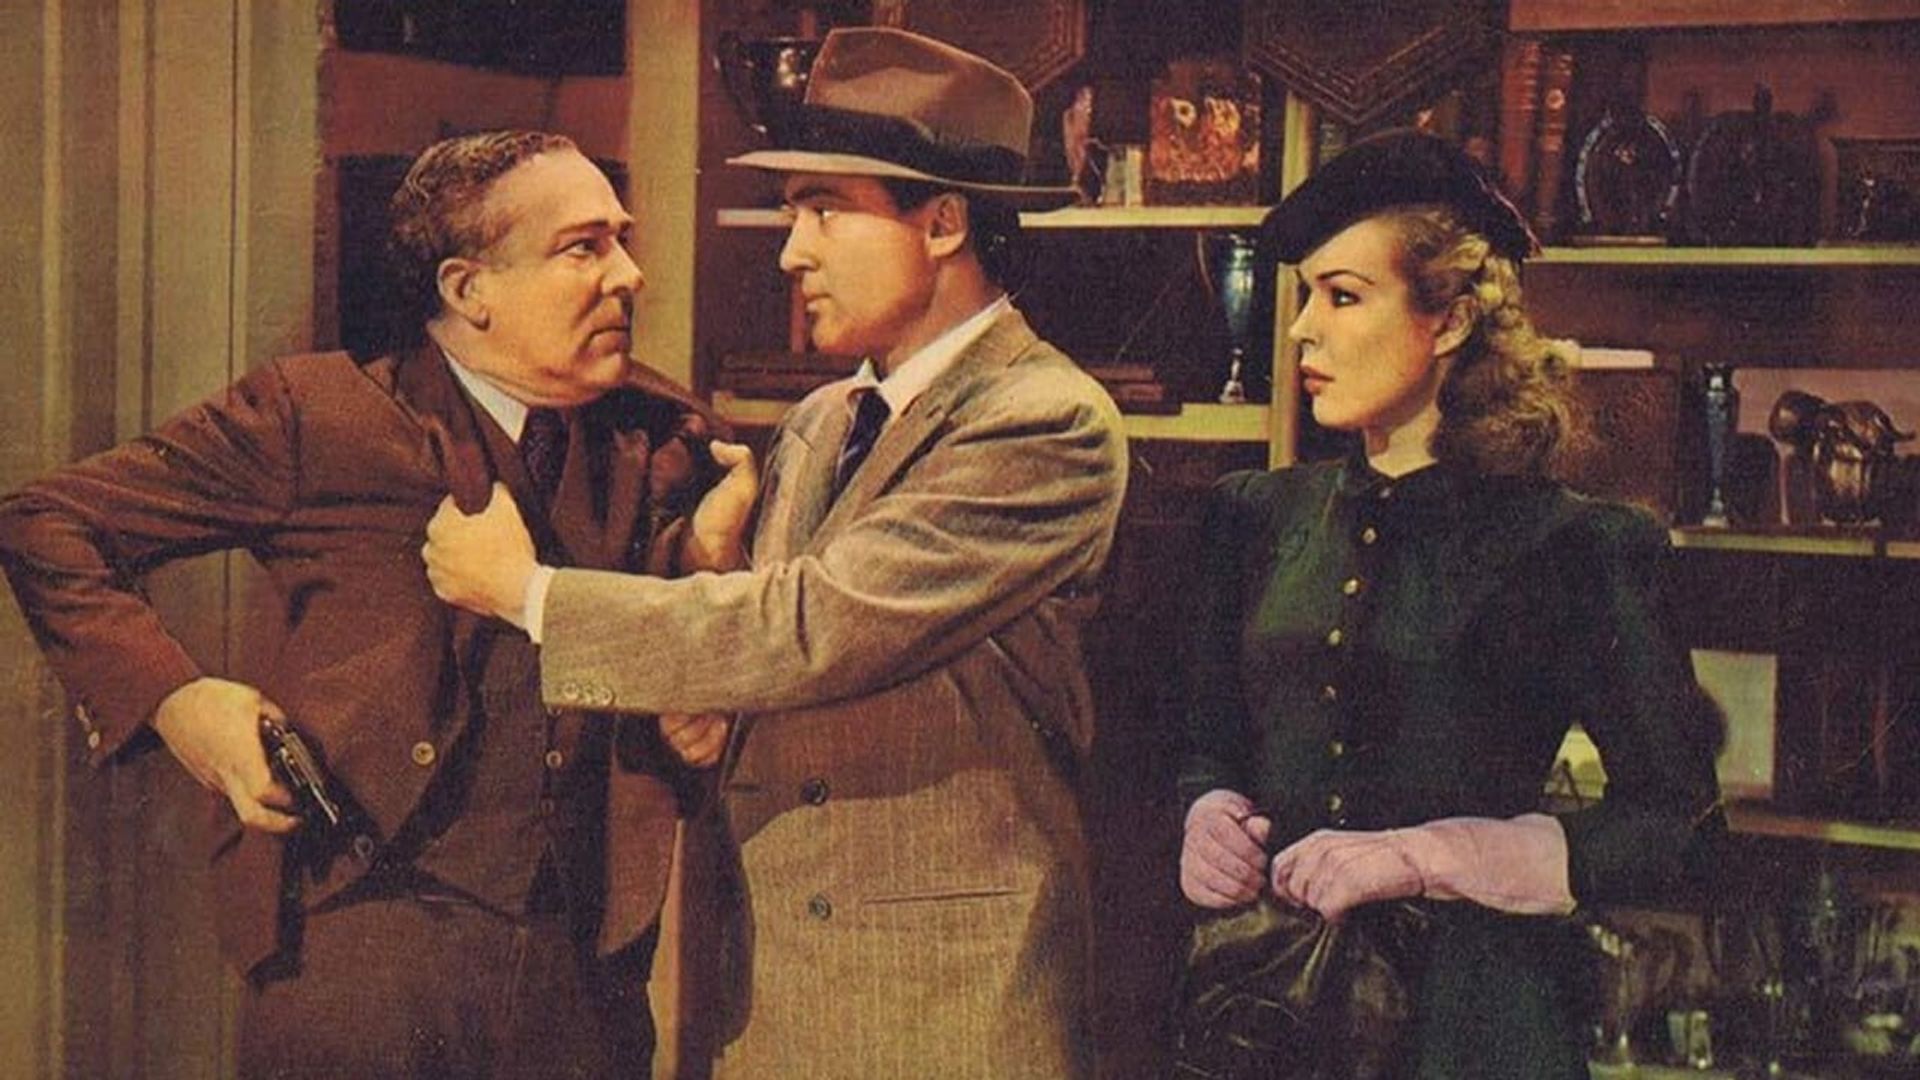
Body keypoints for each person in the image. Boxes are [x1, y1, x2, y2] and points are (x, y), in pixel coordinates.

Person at [421, 28, 1128, 1079]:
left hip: (946, 1006)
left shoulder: (1044, 421)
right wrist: (709, 713)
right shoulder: (821, 422)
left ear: (942, 224)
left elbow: (814, 627)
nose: (793, 252)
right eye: (794, 213)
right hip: (777, 1001)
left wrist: (531, 595)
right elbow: (779, 670)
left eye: (825, 210)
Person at [0, 129, 737, 1077]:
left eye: (622, 241)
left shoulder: (667, 437)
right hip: (362, 954)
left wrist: (711, 578)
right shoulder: (315, 417)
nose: (629, 275)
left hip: (584, 981)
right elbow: (46, 521)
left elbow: (700, 663)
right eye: (584, 247)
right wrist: (179, 703)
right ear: (468, 289)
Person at [1174, 129, 1723, 1079]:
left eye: (1344, 296)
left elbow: (1681, 827)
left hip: (1474, 1025)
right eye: (1306, 295)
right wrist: (1206, 815)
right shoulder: (1254, 517)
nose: (1302, 329)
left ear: (1453, 319)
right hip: (1272, 1016)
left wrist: (1432, 855)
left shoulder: (1574, 546)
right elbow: (1205, 744)